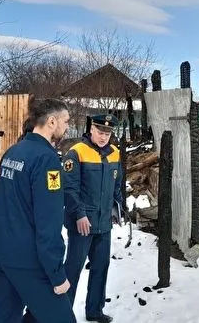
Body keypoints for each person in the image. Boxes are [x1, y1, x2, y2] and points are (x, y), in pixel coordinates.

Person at [0, 98, 76, 323]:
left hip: (3, 253)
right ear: (52, 121)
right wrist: (57, 274)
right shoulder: (46, 159)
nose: (67, 127)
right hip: (31, 262)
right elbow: (49, 221)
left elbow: (2, 207)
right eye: (66, 121)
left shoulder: (12, 152)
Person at [63, 114, 123, 323]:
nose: (103, 136)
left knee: (101, 267)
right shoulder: (77, 152)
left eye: (107, 133)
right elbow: (69, 189)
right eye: (100, 132)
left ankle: (94, 310)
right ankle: (63, 313)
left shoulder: (114, 153)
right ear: (91, 130)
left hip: (103, 223)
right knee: (72, 269)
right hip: (82, 224)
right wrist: (79, 214)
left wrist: (117, 208)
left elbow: (117, 185)